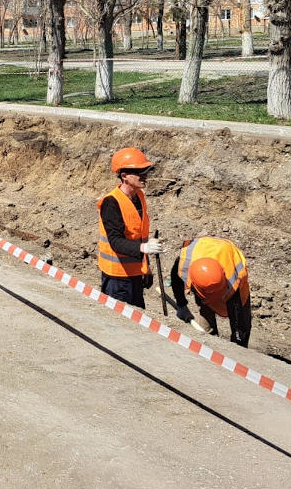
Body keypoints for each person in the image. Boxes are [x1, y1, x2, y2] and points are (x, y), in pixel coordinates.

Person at [97, 147, 164, 307]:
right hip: (117, 279)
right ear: (124, 176)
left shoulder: (139, 197)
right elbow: (116, 242)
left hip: (135, 275)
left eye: (145, 170)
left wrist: (145, 268)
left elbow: (138, 235)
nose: (145, 175)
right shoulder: (111, 203)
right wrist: (145, 248)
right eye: (139, 172)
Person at [170, 237, 252, 347]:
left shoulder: (233, 281)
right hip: (203, 281)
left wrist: (238, 341)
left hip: (237, 290)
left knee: (242, 329)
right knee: (204, 334)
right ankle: (208, 346)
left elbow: (237, 317)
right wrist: (181, 304)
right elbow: (176, 278)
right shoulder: (186, 263)